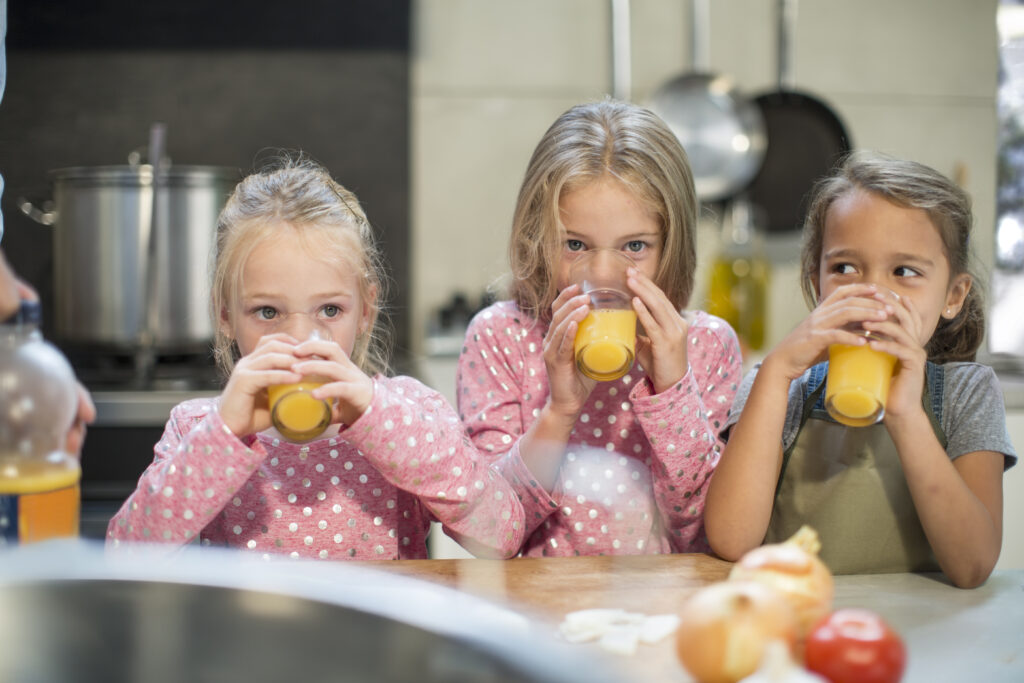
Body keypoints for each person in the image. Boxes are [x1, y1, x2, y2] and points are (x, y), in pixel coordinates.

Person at [107, 156, 524, 560]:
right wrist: (223, 436)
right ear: (225, 316)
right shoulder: (198, 429)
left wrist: (379, 418)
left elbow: (501, 534)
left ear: (365, 311)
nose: (299, 339)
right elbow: (124, 557)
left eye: (329, 310)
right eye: (267, 312)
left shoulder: (409, 414)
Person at [705, 151, 1017, 588]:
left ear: (953, 295)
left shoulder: (968, 393)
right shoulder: (777, 386)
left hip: (924, 637)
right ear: (818, 283)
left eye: (904, 271)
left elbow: (972, 567)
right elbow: (731, 540)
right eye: (845, 268)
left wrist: (906, 414)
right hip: (798, 620)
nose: (872, 294)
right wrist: (775, 375)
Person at [457, 99, 742, 557]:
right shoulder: (501, 338)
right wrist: (560, 411)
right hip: (540, 613)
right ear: (536, 238)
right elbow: (490, 534)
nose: (604, 274)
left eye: (634, 246)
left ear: (672, 247)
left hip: (659, 612)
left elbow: (704, 532)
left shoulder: (706, 345)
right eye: (575, 244)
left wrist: (673, 390)